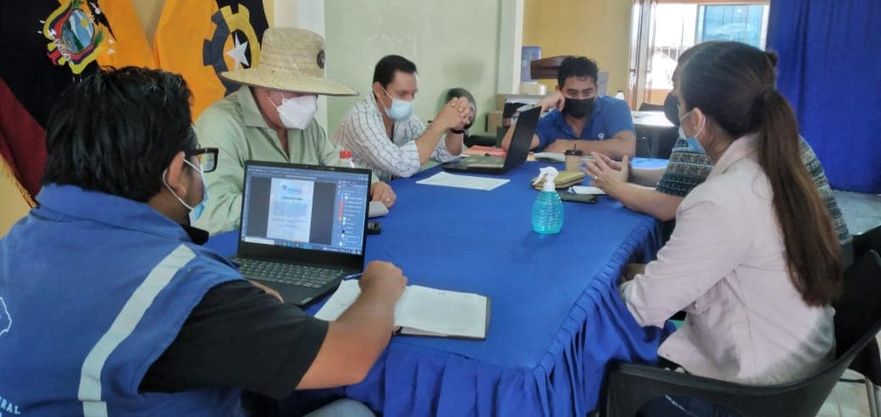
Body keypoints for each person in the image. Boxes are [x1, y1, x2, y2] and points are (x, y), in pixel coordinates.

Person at [0, 67, 405, 416]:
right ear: (177, 172)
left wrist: (233, 295)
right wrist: (380, 287)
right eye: (199, 159)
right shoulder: (181, 291)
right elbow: (349, 356)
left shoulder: (14, 243)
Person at [617, 42, 844, 416]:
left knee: (610, 372)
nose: (676, 109)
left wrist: (615, 287)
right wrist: (646, 272)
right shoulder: (775, 169)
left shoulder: (721, 198)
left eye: (678, 99)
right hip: (796, 372)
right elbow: (732, 271)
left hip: (750, 396)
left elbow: (643, 307)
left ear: (696, 119)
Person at [585, 43, 850, 247]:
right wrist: (631, 173)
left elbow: (666, 206)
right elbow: (685, 177)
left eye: (677, 84)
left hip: (808, 273)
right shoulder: (760, 129)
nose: (673, 94)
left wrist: (616, 188)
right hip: (825, 257)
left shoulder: (711, 132)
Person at [194, 28, 397, 235]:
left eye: (314, 94)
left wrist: (372, 185)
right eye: (300, 92)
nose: (310, 104)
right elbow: (212, 214)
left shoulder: (304, 125)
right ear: (265, 86)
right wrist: (299, 202)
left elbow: (338, 160)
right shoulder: (219, 125)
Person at [332, 55, 474, 181]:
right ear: (379, 90)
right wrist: (440, 123)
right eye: (402, 93)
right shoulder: (360, 118)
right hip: (351, 195)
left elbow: (446, 154)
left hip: (387, 192)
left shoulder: (405, 119)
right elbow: (401, 165)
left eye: (413, 94)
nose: (409, 100)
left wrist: (457, 127)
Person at [500, 56, 636, 159]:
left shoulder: (614, 108)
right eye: (572, 93)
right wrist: (543, 104)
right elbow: (510, 145)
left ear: (596, 89)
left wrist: (569, 146)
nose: (580, 98)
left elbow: (627, 148)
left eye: (587, 92)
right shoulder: (552, 121)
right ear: (559, 91)